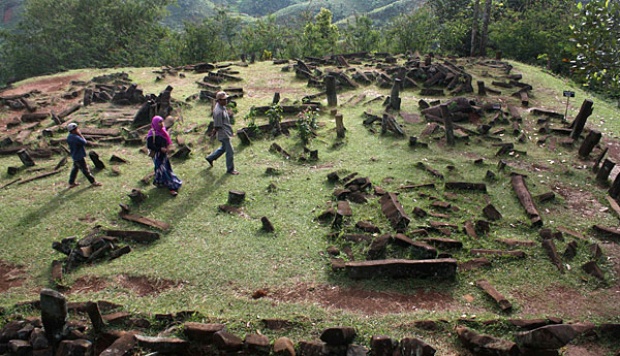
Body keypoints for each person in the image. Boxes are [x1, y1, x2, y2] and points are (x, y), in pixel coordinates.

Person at [146, 115, 182, 196]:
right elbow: (149, 145)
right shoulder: (152, 133)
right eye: (159, 122)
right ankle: (172, 187)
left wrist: (167, 148)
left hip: (164, 155)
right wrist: (160, 149)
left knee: (164, 169)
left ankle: (160, 182)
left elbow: (167, 141)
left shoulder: (163, 131)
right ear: (155, 123)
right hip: (157, 155)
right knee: (163, 169)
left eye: (161, 122)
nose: (161, 124)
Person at [206, 91, 239, 175]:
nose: (226, 101)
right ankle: (230, 169)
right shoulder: (218, 112)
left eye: (226, 99)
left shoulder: (222, 106)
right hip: (223, 134)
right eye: (224, 100)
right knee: (230, 151)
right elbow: (217, 126)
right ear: (219, 100)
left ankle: (210, 158)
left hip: (226, 131)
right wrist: (213, 133)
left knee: (223, 148)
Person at [66, 122, 102, 188]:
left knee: (75, 169)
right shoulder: (76, 137)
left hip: (74, 155)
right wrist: (80, 135)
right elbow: (84, 142)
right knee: (85, 170)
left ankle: (71, 183)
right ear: (74, 130)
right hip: (79, 156)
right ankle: (93, 182)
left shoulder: (69, 137)